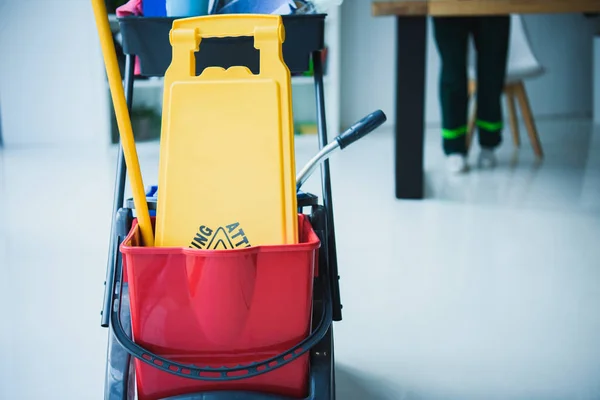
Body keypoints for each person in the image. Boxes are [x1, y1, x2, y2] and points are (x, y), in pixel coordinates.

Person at [432, 16, 511, 173]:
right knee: (452, 75)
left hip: (492, 6)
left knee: (492, 73)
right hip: (448, 7)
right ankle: (454, 148)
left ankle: (489, 144)